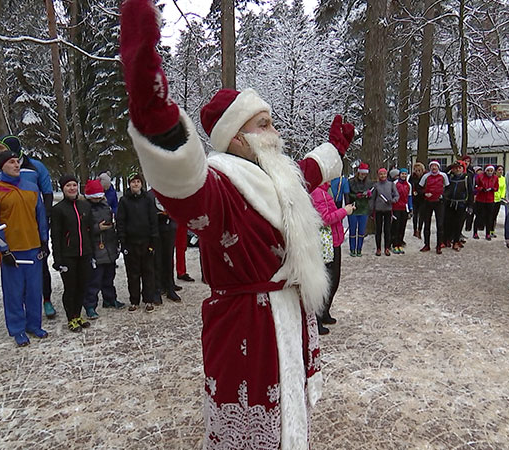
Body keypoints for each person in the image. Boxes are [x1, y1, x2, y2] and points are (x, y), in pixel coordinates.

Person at [119, 1, 354, 445]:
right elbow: (185, 186)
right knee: (252, 428)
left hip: (289, 313)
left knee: (292, 416)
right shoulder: (223, 186)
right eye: (262, 124)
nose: (274, 131)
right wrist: (157, 118)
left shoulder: (277, 174)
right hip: (248, 325)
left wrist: (334, 147)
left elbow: (306, 171)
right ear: (237, 136)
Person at [0, 150, 49, 346]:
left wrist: (44, 241)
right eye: (11, 162)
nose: (16, 165)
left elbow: (41, 217)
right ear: (1, 167)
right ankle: (17, 329)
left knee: (34, 290)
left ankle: (34, 324)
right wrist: (4, 250)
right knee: (13, 292)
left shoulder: (32, 188)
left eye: (17, 162)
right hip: (13, 251)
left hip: (33, 247)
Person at [0, 135, 57, 320]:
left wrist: (45, 218)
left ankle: (46, 300)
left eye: (1, 148)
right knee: (14, 272)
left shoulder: (36, 166)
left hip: (34, 224)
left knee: (41, 266)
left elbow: (47, 191)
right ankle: (19, 313)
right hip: (11, 229)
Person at [311, 181, 355, 334]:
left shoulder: (325, 190)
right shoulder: (317, 192)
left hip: (333, 241)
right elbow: (324, 219)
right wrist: (344, 211)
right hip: (326, 244)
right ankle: (316, 319)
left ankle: (324, 312)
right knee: (326, 282)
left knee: (334, 279)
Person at [51, 175, 94, 332]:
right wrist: (58, 259)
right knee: (71, 288)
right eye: (68, 185)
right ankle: (71, 317)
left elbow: (90, 231)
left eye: (74, 185)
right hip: (68, 256)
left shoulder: (85, 206)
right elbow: (55, 236)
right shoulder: (58, 210)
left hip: (85, 253)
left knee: (82, 286)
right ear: (63, 188)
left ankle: (78, 314)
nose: (72, 188)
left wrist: (92, 252)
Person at [116, 173, 159, 313]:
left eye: (138, 182)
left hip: (146, 241)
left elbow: (153, 220)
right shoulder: (124, 201)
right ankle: (134, 300)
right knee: (133, 274)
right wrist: (122, 242)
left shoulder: (148, 199)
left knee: (148, 272)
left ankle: (148, 299)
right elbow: (120, 222)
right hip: (131, 242)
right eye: (133, 182)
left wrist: (153, 240)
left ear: (142, 184)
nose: (135, 184)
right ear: (129, 184)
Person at [83, 179, 126, 316]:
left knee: (109, 277)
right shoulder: (84, 208)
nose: (98, 198)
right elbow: (83, 229)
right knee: (94, 281)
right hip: (95, 249)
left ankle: (109, 299)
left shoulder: (105, 205)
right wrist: (97, 228)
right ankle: (90, 305)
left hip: (109, 246)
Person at [154, 194, 183, 303]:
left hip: (169, 228)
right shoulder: (150, 195)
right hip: (156, 230)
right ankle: (159, 287)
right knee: (157, 260)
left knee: (169, 258)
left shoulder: (170, 192)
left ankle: (169, 286)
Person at [418, 161, 449, 253]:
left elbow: (448, 188)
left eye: (435, 166)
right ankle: (426, 244)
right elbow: (419, 188)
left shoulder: (443, 176)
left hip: (439, 202)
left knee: (440, 224)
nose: (434, 168)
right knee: (427, 224)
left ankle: (439, 245)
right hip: (428, 202)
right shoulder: (426, 176)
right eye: (432, 166)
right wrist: (424, 193)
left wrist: (443, 195)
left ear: (438, 167)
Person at [443, 162, 474, 251]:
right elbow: (443, 173)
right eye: (456, 168)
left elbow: (470, 192)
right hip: (450, 203)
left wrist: (470, 205)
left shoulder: (466, 178)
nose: (457, 169)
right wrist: (450, 166)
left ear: (463, 169)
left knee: (458, 224)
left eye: (459, 168)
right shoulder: (450, 177)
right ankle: (447, 240)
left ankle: (456, 241)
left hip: (461, 204)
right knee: (448, 223)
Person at [370, 167, 398, 256]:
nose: (383, 176)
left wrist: (392, 200)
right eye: (381, 174)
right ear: (378, 175)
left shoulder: (391, 184)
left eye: (384, 174)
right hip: (378, 210)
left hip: (388, 210)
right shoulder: (376, 185)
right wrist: (371, 209)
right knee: (378, 230)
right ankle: (378, 248)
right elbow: (372, 198)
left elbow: (397, 195)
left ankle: (386, 248)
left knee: (387, 230)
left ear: (387, 175)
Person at [347, 162, 373, 256]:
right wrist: (355, 196)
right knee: (353, 230)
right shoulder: (351, 182)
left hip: (364, 208)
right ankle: (352, 249)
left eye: (365, 174)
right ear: (358, 173)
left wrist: (369, 195)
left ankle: (359, 249)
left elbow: (372, 195)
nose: (363, 176)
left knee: (361, 231)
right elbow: (348, 194)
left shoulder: (369, 183)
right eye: (362, 174)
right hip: (353, 208)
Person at [474, 165, 499, 240]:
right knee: (479, 216)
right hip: (480, 199)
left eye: (491, 171)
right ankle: (475, 232)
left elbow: (496, 187)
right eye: (488, 171)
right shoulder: (480, 176)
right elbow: (476, 186)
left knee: (489, 217)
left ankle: (487, 233)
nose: (490, 172)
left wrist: (492, 189)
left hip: (490, 199)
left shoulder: (495, 178)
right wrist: (481, 189)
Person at [391, 168, 412, 254]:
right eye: (402, 174)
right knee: (396, 226)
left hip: (404, 208)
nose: (403, 175)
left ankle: (400, 243)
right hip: (396, 207)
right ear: (399, 174)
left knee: (402, 226)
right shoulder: (395, 183)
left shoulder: (409, 185)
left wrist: (410, 208)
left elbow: (409, 197)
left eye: (405, 174)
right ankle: (394, 244)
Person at [410, 162, 426, 238]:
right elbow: (410, 185)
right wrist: (413, 191)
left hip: (423, 198)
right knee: (415, 215)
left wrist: (421, 192)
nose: (418, 172)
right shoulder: (412, 177)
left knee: (422, 215)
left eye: (419, 170)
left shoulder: (425, 177)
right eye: (416, 170)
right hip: (415, 198)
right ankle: (415, 230)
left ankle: (419, 229)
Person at [492, 165, 506, 238]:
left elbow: (504, 188)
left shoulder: (503, 179)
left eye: (502, 170)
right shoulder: (493, 178)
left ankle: (492, 231)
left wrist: (502, 196)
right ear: (495, 171)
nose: (501, 171)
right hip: (491, 199)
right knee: (490, 216)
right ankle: (487, 230)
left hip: (498, 200)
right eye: (499, 170)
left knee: (494, 216)